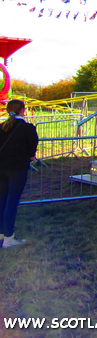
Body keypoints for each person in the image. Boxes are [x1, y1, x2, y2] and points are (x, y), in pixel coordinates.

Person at [0, 100, 39, 248]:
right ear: (23, 110)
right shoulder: (28, 128)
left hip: (1, 168)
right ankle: (9, 238)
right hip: (17, 169)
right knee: (11, 202)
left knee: (2, 200)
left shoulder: (2, 127)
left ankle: (1, 234)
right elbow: (32, 148)